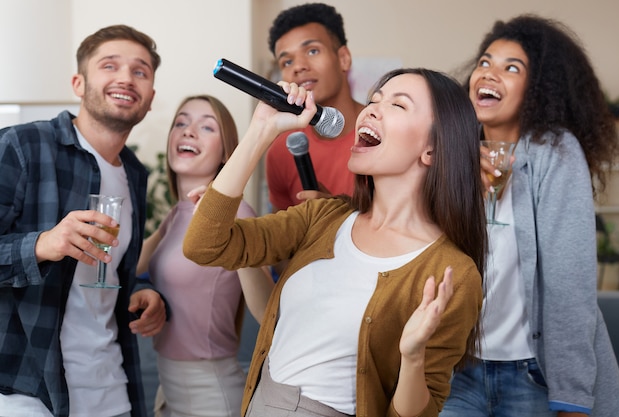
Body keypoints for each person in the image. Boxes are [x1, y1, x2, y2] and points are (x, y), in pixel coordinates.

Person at [183, 68, 487, 417]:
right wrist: (262, 130)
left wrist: (413, 356)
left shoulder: (452, 274)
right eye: (374, 100)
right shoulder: (322, 217)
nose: (371, 110)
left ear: (432, 150)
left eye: (397, 105)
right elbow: (205, 245)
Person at [440, 14, 619, 417]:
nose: (490, 74)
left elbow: (568, 284)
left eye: (512, 68)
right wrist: (455, 162)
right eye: (485, 62)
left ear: (539, 89)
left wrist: (571, 397)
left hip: (531, 375)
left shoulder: (555, 153)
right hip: (457, 371)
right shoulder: (447, 152)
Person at [0, 25, 167, 417]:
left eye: (140, 71)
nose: (126, 77)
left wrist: (148, 295)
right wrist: (44, 245)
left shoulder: (135, 174)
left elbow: (109, 280)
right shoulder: (21, 146)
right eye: (110, 66)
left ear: (150, 97)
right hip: (27, 392)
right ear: (79, 82)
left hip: (112, 389)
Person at [136, 95, 274, 417]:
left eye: (206, 127)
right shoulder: (175, 215)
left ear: (227, 152)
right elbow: (129, 265)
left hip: (210, 394)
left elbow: (267, 310)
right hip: (168, 392)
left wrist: (231, 235)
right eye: (181, 123)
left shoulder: (238, 213)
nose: (188, 131)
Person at [264, 2, 366, 211]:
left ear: (343, 59)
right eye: (287, 62)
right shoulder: (282, 150)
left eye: (312, 51)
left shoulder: (385, 135)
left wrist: (339, 213)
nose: (299, 67)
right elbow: (281, 236)